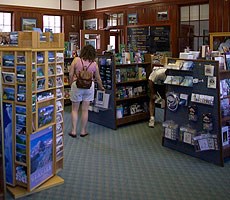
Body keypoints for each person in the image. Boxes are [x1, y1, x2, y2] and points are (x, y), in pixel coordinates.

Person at [68, 44, 105, 137]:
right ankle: (83, 131)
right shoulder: (94, 64)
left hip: (77, 85)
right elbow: (98, 78)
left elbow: (70, 74)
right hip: (89, 87)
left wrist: (70, 82)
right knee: (85, 110)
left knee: (74, 109)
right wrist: (101, 87)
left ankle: (73, 131)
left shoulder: (76, 60)